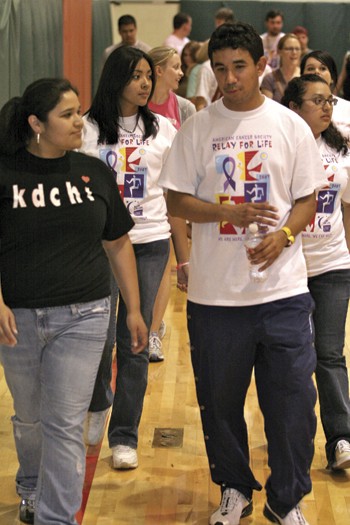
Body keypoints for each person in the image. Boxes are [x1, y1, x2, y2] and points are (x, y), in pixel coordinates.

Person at [159, 22, 326, 525]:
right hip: (216, 299)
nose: (229, 78)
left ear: (260, 66)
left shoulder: (289, 125)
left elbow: (306, 198)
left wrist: (286, 236)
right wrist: (225, 214)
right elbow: (174, 198)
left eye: (239, 67)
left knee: (294, 406)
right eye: (220, 69)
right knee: (221, 406)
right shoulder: (197, 128)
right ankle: (234, 488)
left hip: (284, 294)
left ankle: (285, 498)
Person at [0, 78, 148, 525]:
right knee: (30, 418)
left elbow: (118, 243)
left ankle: (55, 517)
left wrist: (136, 310)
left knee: (64, 423)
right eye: (67, 114)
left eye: (79, 111)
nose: (79, 121)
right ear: (35, 123)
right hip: (18, 319)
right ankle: (31, 483)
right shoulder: (6, 173)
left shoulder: (93, 173)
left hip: (85, 316)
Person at [80, 46, 177, 468]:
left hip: (150, 241)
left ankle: (125, 435)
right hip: (98, 245)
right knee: (97, 338)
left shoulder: (165, 130)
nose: (144, 83)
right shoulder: (85, 129)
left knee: (134, 342)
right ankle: (99, 401)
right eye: (136, 75)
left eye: (147, 76)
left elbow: (174, 192)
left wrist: (184, 251)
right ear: (115, 78)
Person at [282, 74, 350, 471]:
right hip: (289, 268)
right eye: (317, 101)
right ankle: (293, 438)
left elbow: (346, 206)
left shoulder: (340, 149)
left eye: (330, 101)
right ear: (294, 108)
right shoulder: (283, 148)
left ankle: (340, 438)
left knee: (329, 354)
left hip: (333, 266)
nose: (327, 107)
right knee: (292, 358)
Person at [147, 46, 194, 361]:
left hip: (173, 194)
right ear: (158, 70)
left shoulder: (185, 108)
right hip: (145, 194)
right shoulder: (136, 105)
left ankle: (151, 333)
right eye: (175, 67)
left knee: (164, 262)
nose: (180, 73)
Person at [300, 50, 350, 141]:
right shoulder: (296, 107)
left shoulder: (347, 107)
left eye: (323, 68)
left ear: (332, 78)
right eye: (310, 68)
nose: (316, 72)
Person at [261, 33, 301, 103]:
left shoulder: (305, 75)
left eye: (297, 49)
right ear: (279, 51)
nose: (294, 52)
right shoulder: (270, 78)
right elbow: (268, 108)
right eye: (289, 49)